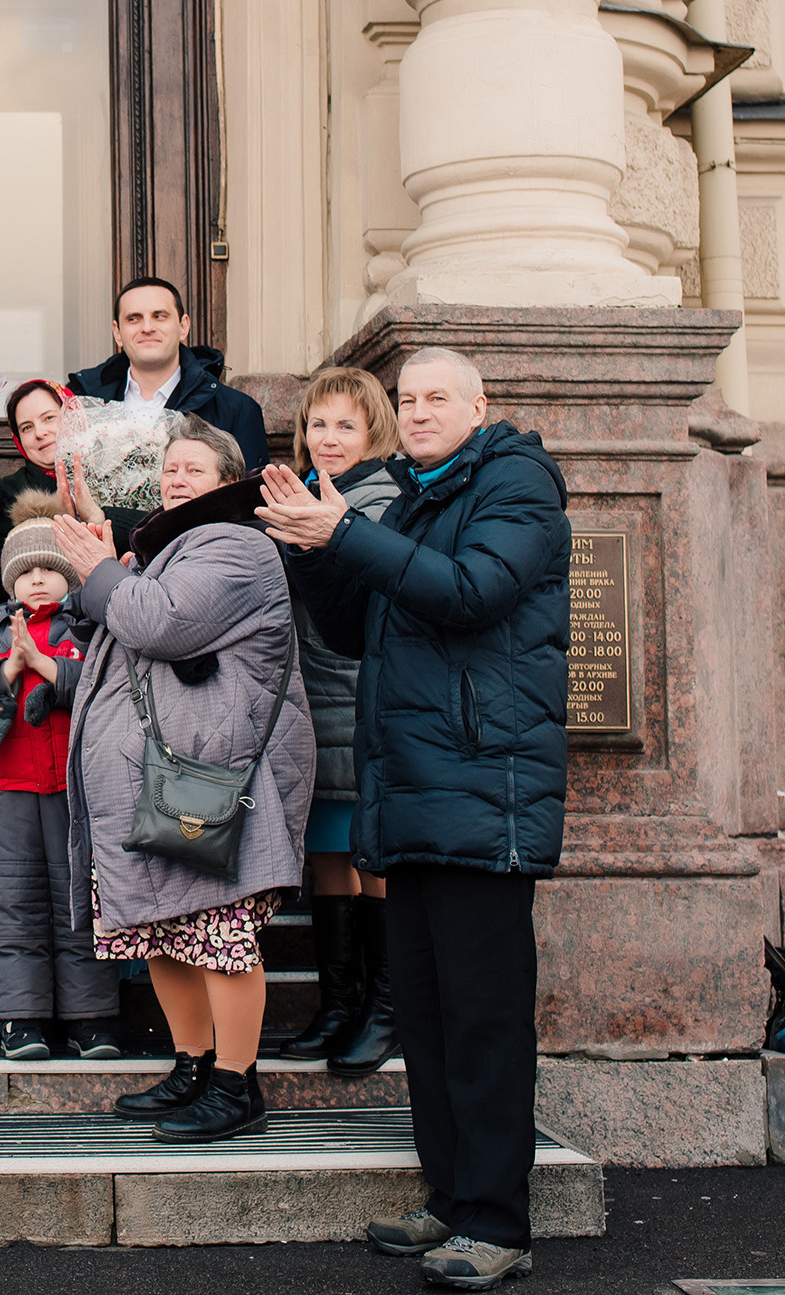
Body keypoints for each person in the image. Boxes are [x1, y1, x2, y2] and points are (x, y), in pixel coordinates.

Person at [260, 347, 569, 1290]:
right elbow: (356, 627)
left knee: (482, 1019)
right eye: (409, 399)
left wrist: (345, 532)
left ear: (481, 405)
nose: (421, 410)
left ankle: (495, 1220)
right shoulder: (412, 489)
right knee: (429, 1017)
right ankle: (449, 1195)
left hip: (484, 788)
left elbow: (472, 592)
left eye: (439, 397)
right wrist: (310, 546)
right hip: (416, 784)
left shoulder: (516, 482)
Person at [50, 419, 313, 1143]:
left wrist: (103, 571)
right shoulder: (169, 547)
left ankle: (237, 1083)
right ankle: (193, 1064)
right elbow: (108, 628)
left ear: (230, 480)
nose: (176, 478)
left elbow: (157, 623)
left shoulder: (237, 544)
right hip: (164, 780)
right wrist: (102, 572)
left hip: (213, 778)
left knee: (221, 932)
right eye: (169, 468)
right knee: (164, 931)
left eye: (194, 468)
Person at [0, 496, 121, 1060]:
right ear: (10, 582)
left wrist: (49, 668)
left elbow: (108, 684)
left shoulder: (86, 626)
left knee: (79, 904)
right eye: (27, 573)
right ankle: (21, 1017)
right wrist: (9, 670)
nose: (39, 582)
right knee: (14, 903)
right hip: (13, 792)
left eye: (50, 570)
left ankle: (89, 1017)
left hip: (76, 791)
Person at [275, 368, 402, 1074]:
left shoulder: (380, 501)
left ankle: (386, 1011)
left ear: (373, 432)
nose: (328, 438)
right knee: (328, 860)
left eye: (345, 425)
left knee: (370, 858)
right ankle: (338, 1004)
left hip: (358, 698)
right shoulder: (299, 494)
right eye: (318, 424)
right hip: (310, 703)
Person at [67, 276, 269, 471]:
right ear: (117, 332)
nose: (147, 328)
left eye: (159, 316)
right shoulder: (82, 404)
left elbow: (248, 500)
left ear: (183, 326)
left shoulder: (238, 410)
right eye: (133, 319)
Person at [0, 379, 68, 606]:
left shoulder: (113, 481)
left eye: (49, 418)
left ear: (73, 417)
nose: (40, 432)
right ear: (18, 440)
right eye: (27, 427)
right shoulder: (4, 495)